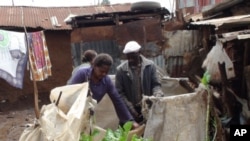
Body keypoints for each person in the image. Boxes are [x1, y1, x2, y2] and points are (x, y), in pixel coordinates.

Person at [67, 53, 139, 129]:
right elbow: (69, 92)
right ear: (94, 66)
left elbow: (118, 101)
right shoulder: (82, 74)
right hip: (72, 110)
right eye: (101, 71)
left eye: (106, 72)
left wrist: (130, 121)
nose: (104, 74)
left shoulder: (106, 81)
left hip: (88, 114)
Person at [115, 41, 164, 124]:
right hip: (129, 112)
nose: (130, 59)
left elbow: (156, 85)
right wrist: (131, 109)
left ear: (139, 53)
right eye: (128, 56)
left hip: (147, 108)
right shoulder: (121, 70)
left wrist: (157, 95)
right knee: (129, 134)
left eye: (133, 56)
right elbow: (119, 93)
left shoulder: (150, 66)